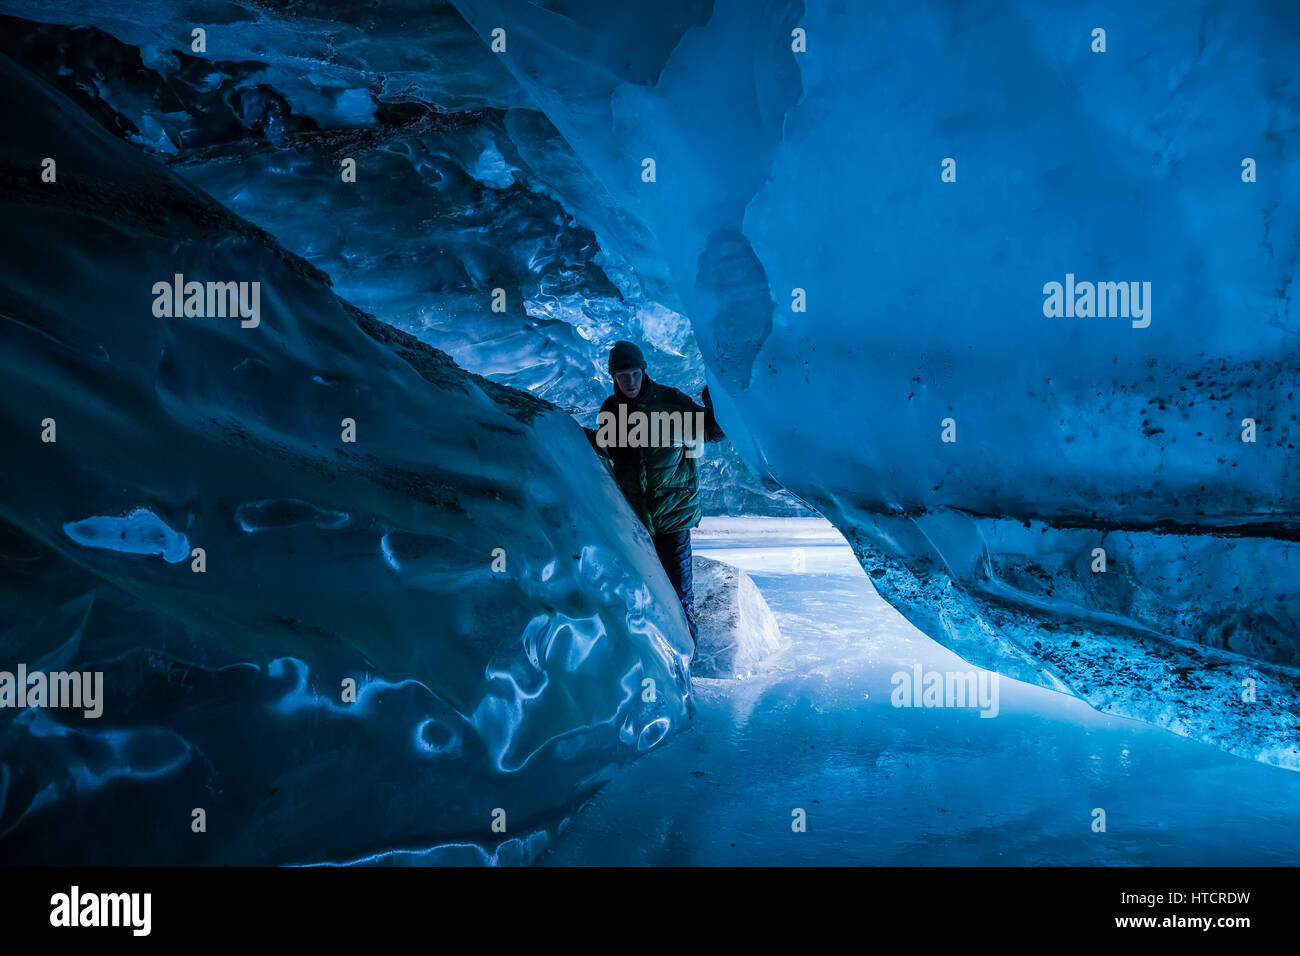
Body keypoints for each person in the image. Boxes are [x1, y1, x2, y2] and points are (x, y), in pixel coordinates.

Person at [585, 341, 725, 659]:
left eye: (634, 373)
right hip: (635, 522)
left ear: (643, 371)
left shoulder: (671, 402)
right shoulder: (612, 410)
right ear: (614, 378)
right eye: (622, 376)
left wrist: (714, 394)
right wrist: (568, 431)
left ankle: (683, 668)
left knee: (678, 597)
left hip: (672, 517)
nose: (629, 381)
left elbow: (713, 431)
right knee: (641, 597)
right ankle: (651, 665)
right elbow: (608, 448)